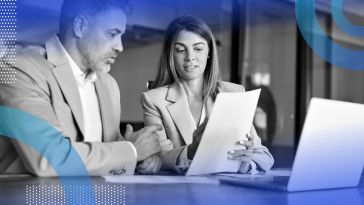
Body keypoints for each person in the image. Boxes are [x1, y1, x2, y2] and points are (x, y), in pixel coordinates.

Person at [0, 0, 161, 176]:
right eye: (112, 34)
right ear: (80, 26)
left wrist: (139, 158)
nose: (120, 47)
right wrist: (132, 150)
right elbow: (49, 159)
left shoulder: (109, 85)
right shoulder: (19, 69)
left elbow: (108, 153)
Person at [140, 15, 274, 174]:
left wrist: (247, 160)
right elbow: (158, 157)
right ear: (171, 54)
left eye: (198, 48)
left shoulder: (234, 92)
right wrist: (191, 150)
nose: (190, 57)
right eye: (181, 50)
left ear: (209, 51)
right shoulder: (154, 100)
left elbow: (265, 157)